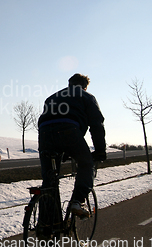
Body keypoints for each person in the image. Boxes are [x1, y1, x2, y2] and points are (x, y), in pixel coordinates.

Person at [37, 73, 106, 217]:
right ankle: (77, 201)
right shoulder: (87, 97)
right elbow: (96, 125)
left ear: (69, 84)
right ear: (85, 87)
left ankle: (47, 224)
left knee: (49, 179)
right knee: (86, 164)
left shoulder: (51, 97)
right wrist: (100, 150)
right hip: (69, 131)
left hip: (44, 134)